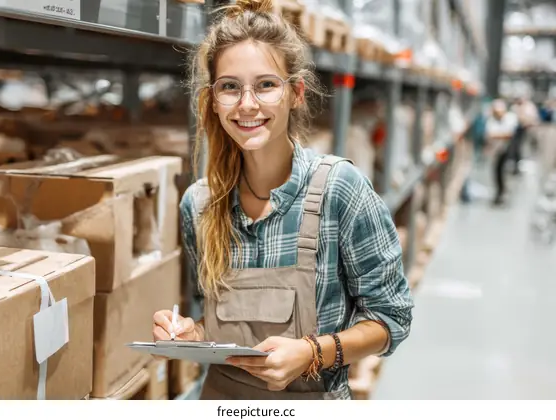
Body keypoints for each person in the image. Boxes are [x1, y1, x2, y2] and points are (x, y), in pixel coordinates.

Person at [152, 0, 414, 400]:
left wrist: (313, 352)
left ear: (295, 93)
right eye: (229, 87)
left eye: (266, 85)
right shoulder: (200, 205)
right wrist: (192, 333)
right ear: (212, 98)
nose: (247, 104)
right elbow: (218, 319)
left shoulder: (339, 191)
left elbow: (391, 319)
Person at [485, 99, 518, 205]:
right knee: (497, 172)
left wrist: (498, 135)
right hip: (496, 150)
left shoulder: (510, 118)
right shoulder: (491, 120)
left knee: (505, 171)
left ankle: (504, 193)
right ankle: (499, 192)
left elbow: (509, 134)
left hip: (507, 149)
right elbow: (490, 134)